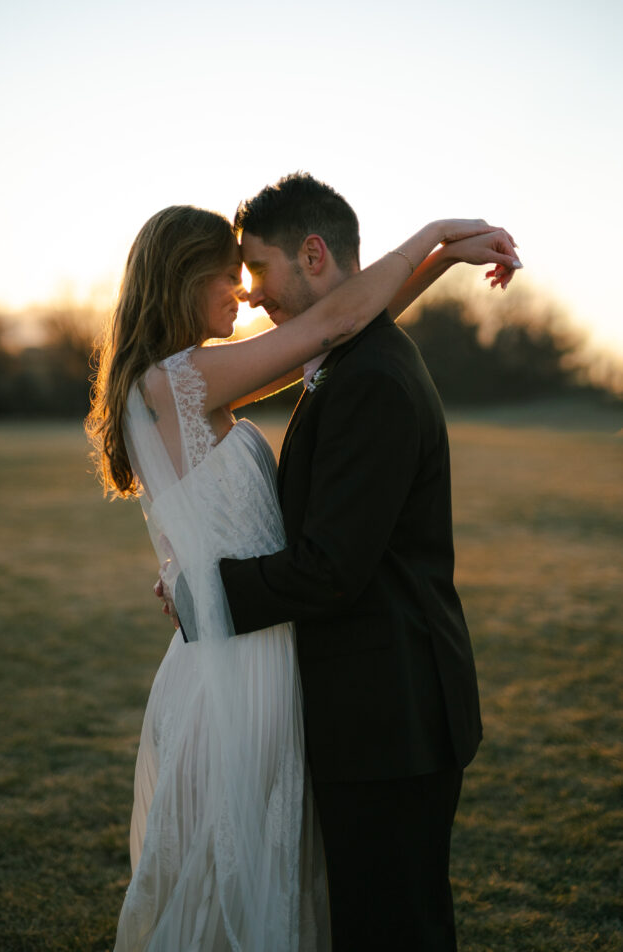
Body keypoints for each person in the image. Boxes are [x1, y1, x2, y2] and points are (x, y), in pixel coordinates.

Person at [88, 195, 519, 951]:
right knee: (234, 884)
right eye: (230, 275)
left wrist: (439, 264)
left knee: (276, 874)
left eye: (246, 271)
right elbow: (331, 325)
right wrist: (434, 234)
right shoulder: (177, 384)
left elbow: (342, 330)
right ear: (185, 280)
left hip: (264, 652)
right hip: (233, 670)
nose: (245, 292)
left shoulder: (201, 381)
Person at [210, 174, 521, 951]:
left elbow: (329, 569)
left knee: (394, 929)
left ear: (313, 255)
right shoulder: (352, 356)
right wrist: (441, 253)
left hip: (391, 718)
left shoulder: (371, 380)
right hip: (381, 710)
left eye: (259, 269)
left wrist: (206, 594)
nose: (253, 296)